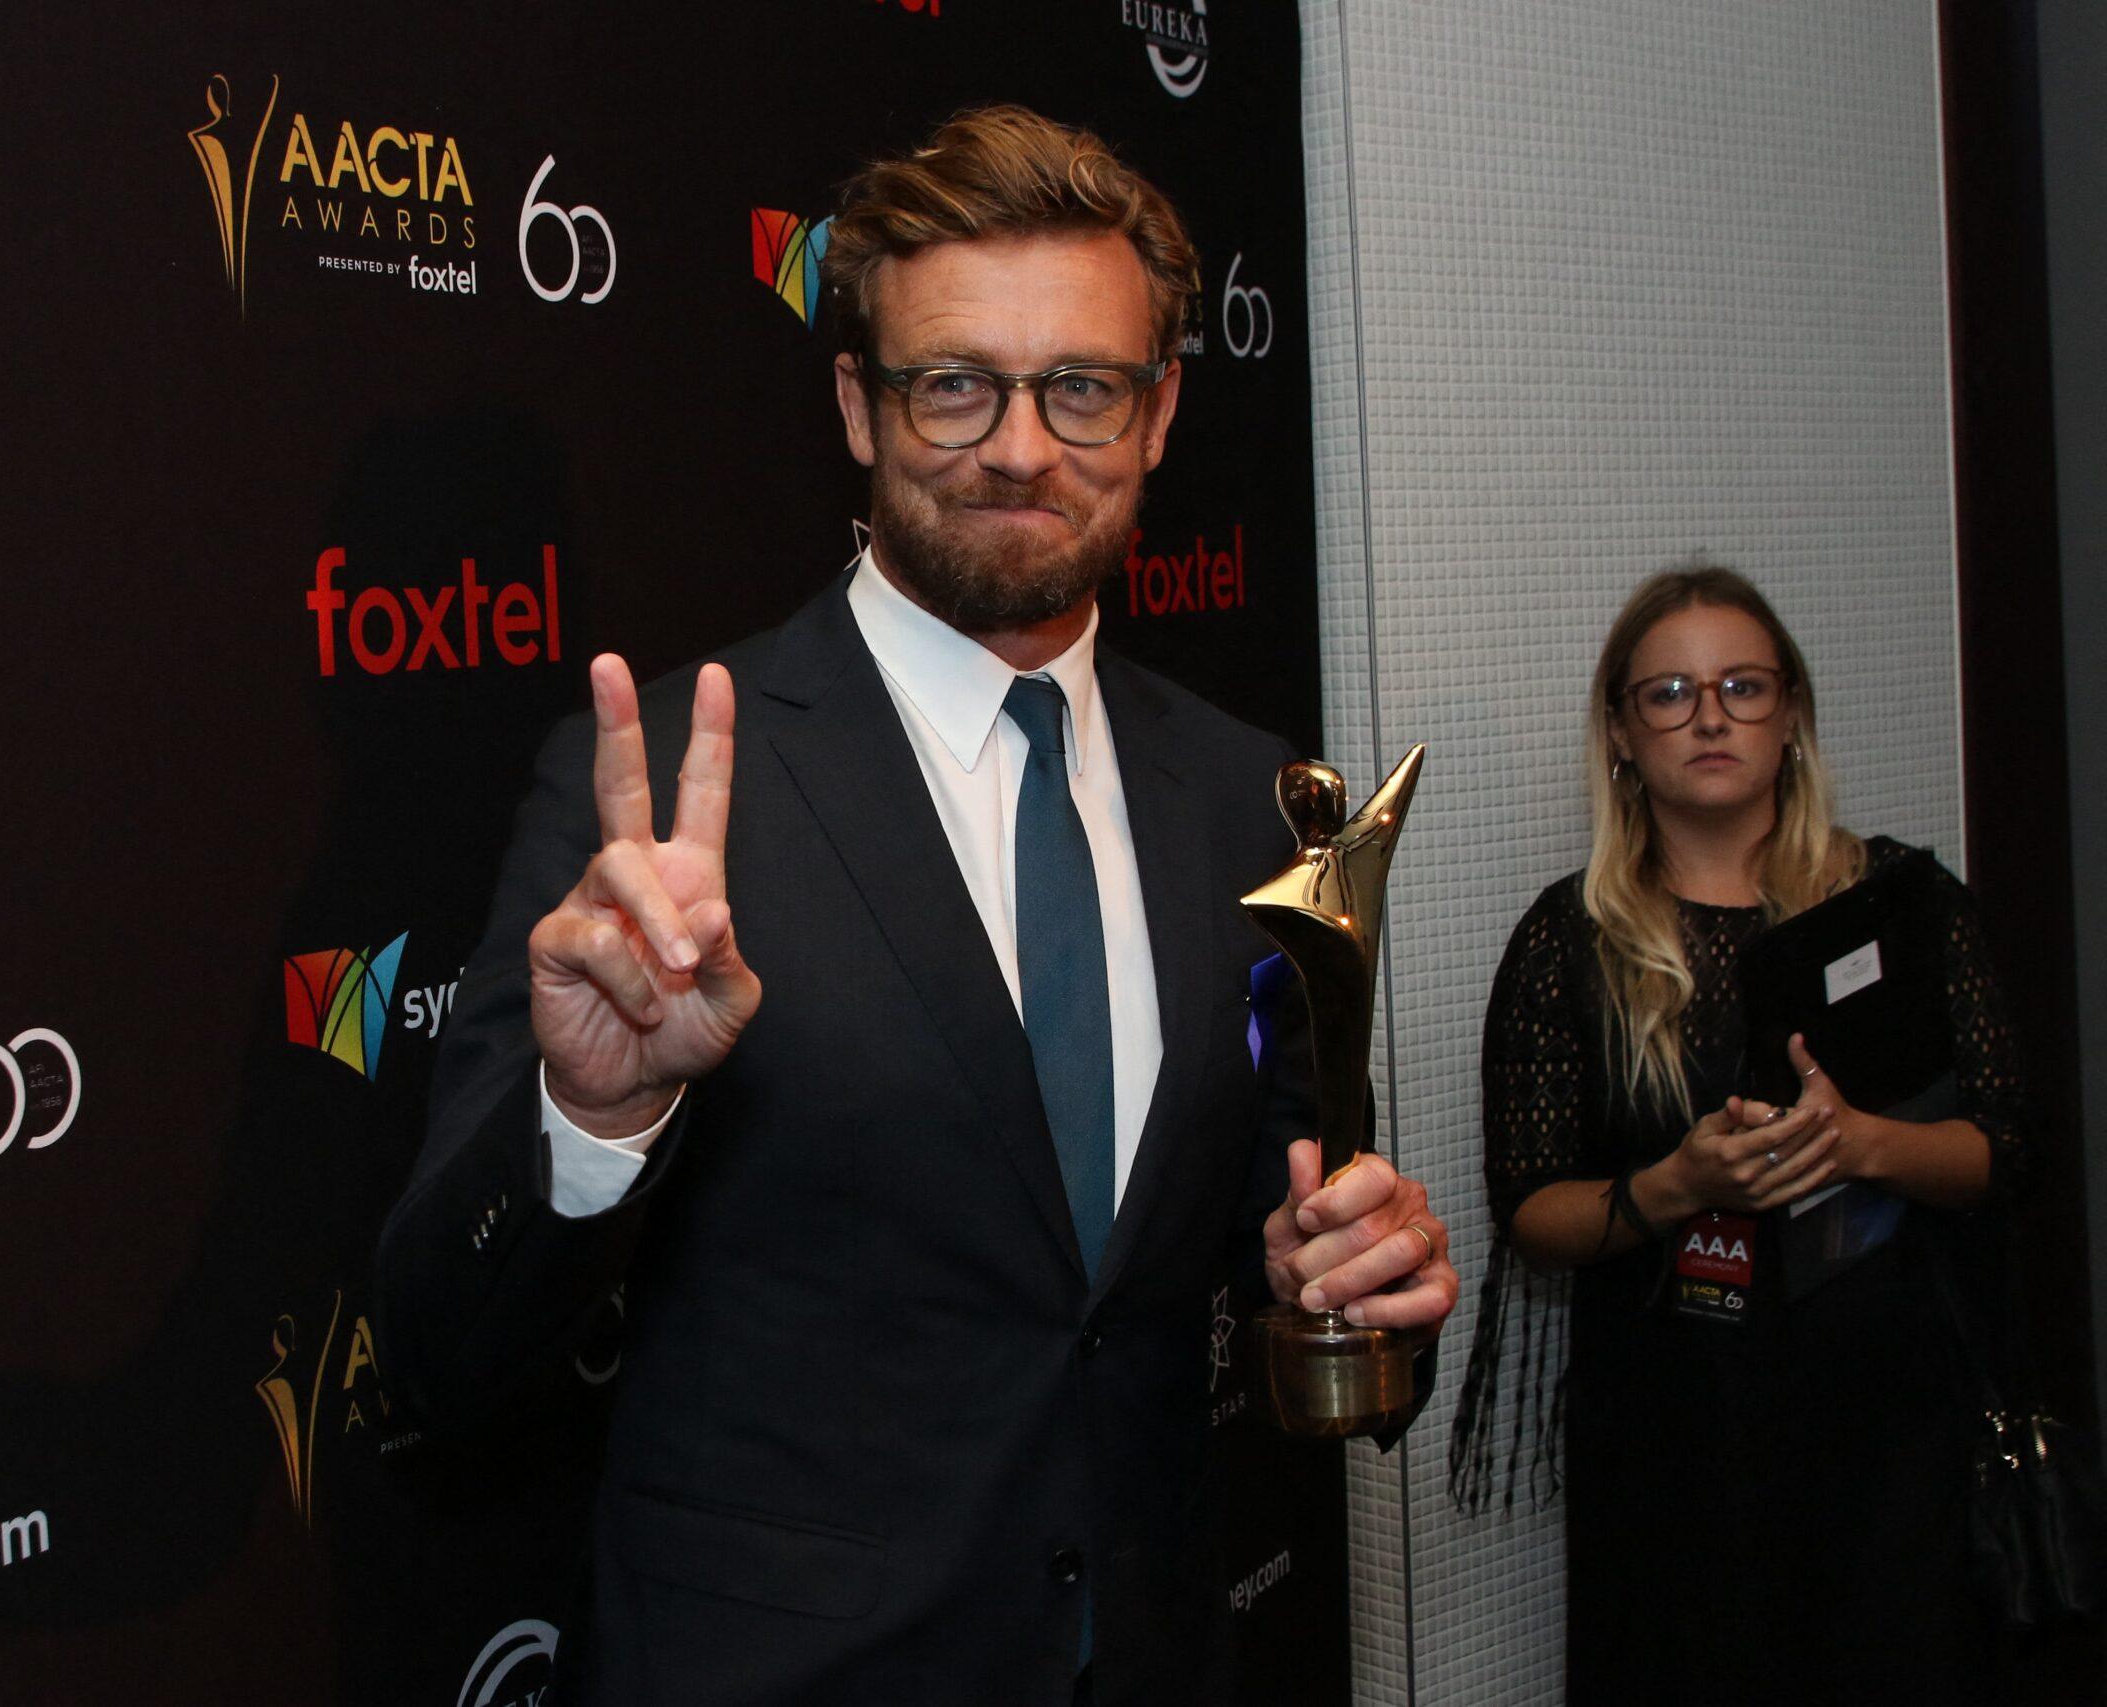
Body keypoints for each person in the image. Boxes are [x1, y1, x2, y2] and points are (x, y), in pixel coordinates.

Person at [375, 106, 1458, 1704]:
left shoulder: (1247, 793)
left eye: (1081, 386)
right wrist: (588, 1122)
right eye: (956, 383)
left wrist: (1355, 1276)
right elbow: (436, 1348)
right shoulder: (673, 784)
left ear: (1159, 413)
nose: (1020, 447)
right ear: (857, 407)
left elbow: (1279, 1254)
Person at [1453, 565, 2027, 1703]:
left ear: (1792, 715)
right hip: (1674, 1448)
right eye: (1667, 693)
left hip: (1893, 1435)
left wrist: (1859, 1144)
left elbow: (2001, 1150)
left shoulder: (1905, 908)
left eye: (1742, 687)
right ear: (1621, 732)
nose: (1708, 716)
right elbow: (1529, 1213)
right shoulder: (1569, 942)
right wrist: (1673, 1184)